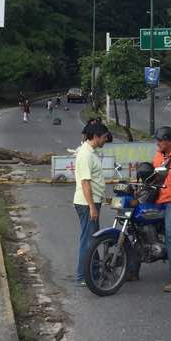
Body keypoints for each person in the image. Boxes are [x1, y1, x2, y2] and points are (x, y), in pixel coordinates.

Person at [129, 125, 171, 292]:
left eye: (159, 140)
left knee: (170, 233)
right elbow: (154, 179)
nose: (157, 143)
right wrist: (139, 191)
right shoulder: (159, 156)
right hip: (158, 200)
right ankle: (132, 271)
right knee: (136, 225)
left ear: (169, 141)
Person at [73, 122, 112, 284]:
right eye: (103, 137)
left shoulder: (91, 152)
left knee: (92, 239)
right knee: (89, 240)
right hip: (87, 203)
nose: (105, 140)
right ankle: (83, 276)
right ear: (95, 137)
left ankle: (93, 274)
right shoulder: (86, 155)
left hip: (92, 202)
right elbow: (85, 183)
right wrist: (91, 206)